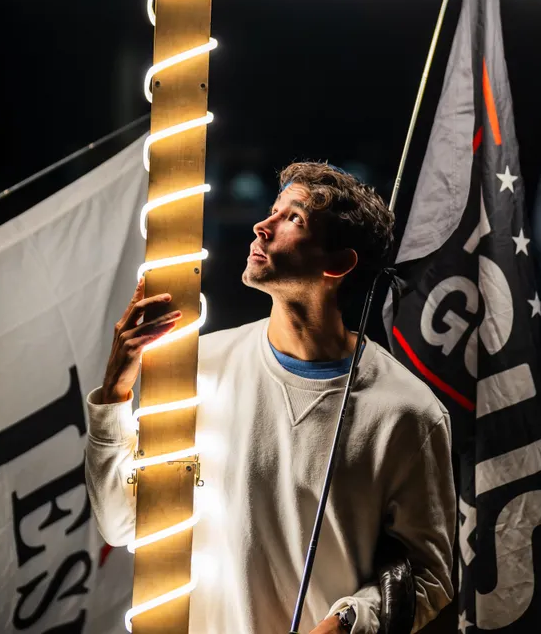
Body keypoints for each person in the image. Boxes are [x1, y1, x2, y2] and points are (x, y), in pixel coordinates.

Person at [85, 161, 455, 634]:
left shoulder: (408, 412)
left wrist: (348, 623)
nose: (263, 225)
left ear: (338, 264)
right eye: (272, 211)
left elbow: (430, 575)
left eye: (293, 219)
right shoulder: (202, 370)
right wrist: (115, 392)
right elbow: (120, 521)